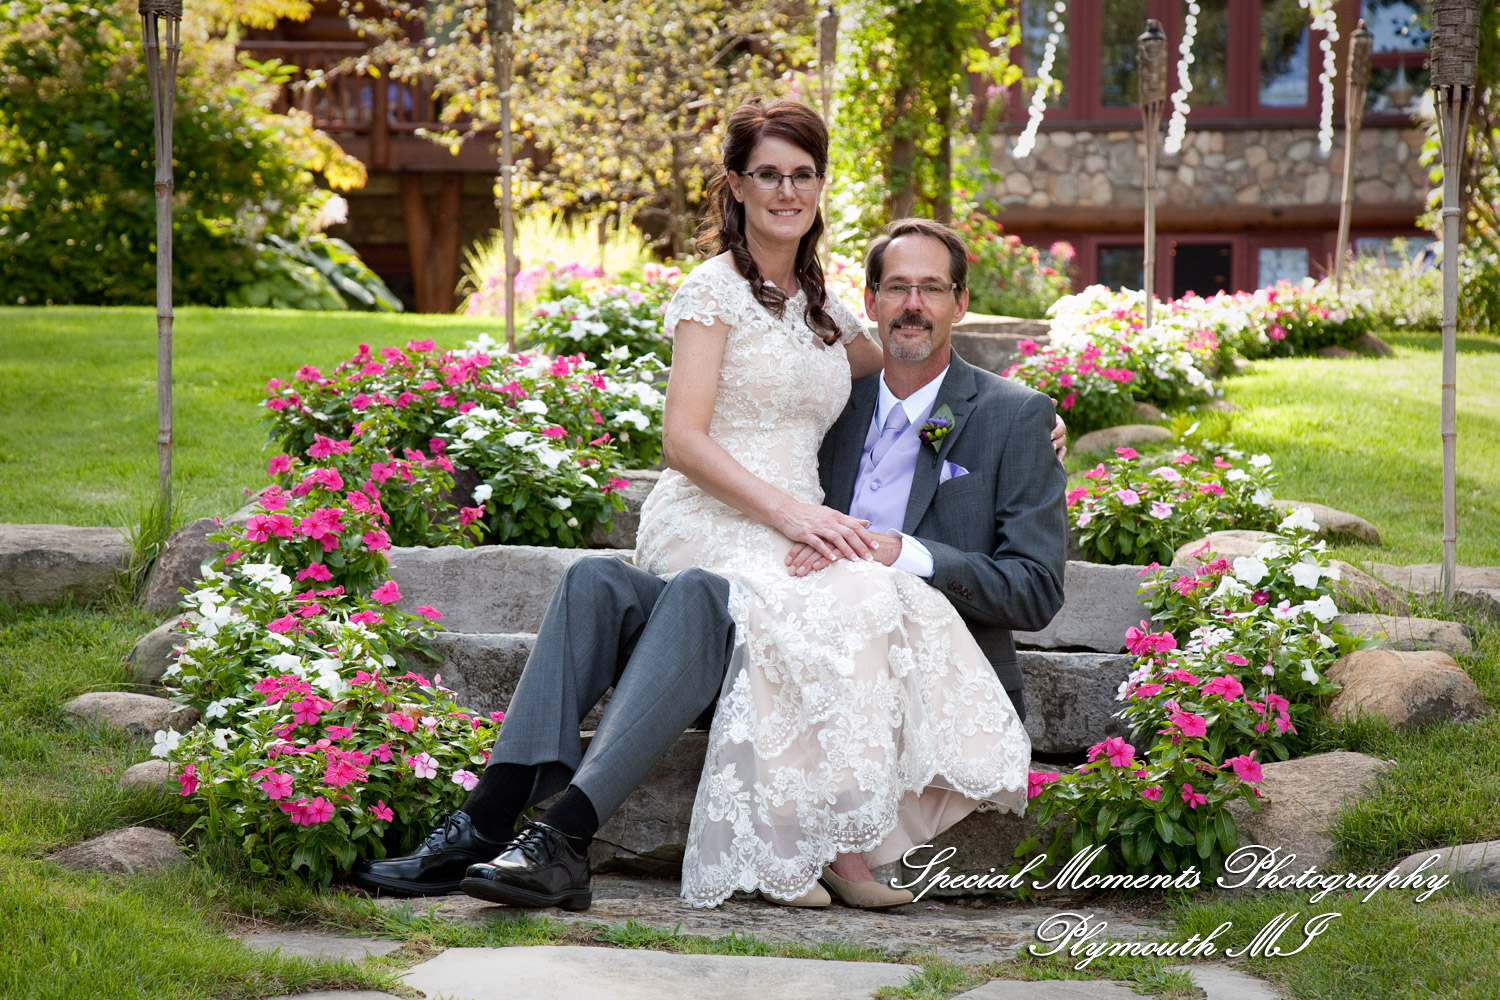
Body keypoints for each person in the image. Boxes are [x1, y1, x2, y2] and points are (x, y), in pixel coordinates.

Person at [347, 98, 1066, 911]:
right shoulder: (712, 289)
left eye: (802, 175)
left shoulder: (827, 313)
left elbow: (915, 356)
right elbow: (682, 441)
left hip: (785, 537)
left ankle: (515, 829)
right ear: (737, 184)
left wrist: (1023, 414)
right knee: (695, 589)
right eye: (768, 174)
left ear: (822, 186)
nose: (786, 191)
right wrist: (797, 517)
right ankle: (510, 830)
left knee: (595, 582)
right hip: (721, 519)